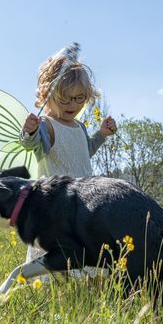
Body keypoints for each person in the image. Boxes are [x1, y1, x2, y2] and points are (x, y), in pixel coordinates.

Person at [19, 50, 118, 266]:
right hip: (54, 207)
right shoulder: (47, 125)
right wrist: (29, 132)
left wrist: (102, 134)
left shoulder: (79, 126)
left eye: (79, 98)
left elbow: (85, 151)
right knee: (53, 260)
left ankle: (84, 293)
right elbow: (32, 145)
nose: (72, 105)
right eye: (65, 99)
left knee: (84, 256)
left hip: (82, 204)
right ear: (46, 96)